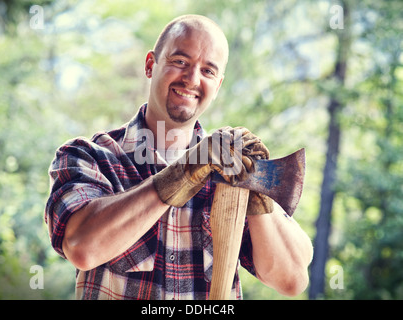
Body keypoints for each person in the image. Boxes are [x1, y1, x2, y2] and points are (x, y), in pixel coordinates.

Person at [45, 14, 313, 300]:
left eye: (208, 71)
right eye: (180, 62)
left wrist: (259, 194)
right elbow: (82, 247)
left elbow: (292, 280)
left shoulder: (231, 172)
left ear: (218, 85)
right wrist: (183, 173)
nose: (192, 79)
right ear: (151, 65)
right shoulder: (89, 157)